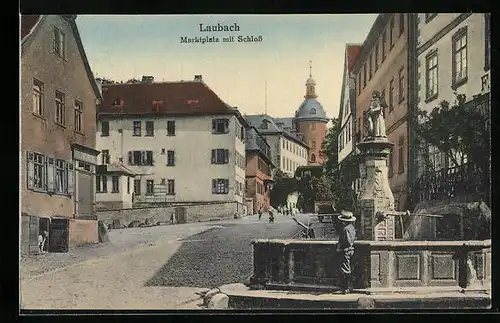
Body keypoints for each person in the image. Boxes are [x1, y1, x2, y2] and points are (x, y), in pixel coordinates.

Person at [336, 210, 357, 294]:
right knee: (349, 269)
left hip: (345, 251)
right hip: (351, 250)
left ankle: (346, 289)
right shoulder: (352, 228)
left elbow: (348, 241)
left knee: (345, 270)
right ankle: (349, 287)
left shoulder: (345, 229)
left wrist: (340, 247)